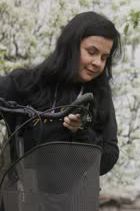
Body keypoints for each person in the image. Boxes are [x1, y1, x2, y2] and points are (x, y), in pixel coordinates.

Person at [0, 11, 120, 176]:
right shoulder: (26, 83)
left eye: (104, 57)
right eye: (92, 52)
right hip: (18, 195)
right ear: (70, 46)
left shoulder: (98, 97)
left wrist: (81, 132)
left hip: (72, 200)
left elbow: (108, 158)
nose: (98, 63)